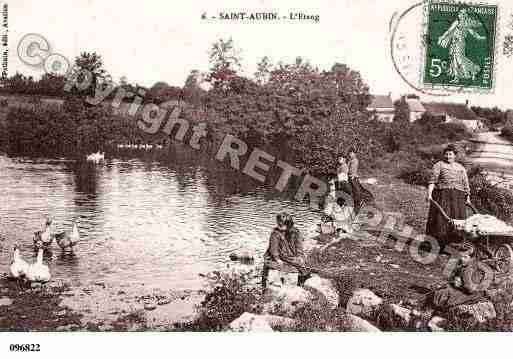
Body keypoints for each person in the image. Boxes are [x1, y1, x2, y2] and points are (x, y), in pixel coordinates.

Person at [426, 144, 471, 248]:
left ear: (455, 155)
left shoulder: (460, 168)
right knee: (441, 219)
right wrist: (429, 194)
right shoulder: (439, 165)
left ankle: (454, 244)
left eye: (450, 154)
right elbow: (433, 180)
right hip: (443, 195)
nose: (448, 157)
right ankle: (437, 244)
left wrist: (468, 197)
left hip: (458, 197)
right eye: (446, 154)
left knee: (458, 221)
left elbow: (465, 183)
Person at [261, 213, 310, 290]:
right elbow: (273, 248)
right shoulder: (275, 234)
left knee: (302, 264)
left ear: (289, 225)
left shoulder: (296, 232)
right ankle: (266, 283)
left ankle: (301, 283)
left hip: (290, 254)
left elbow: (299, 246)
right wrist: (277, 259)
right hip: (280, 255)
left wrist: (300, 255)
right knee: (273, 264)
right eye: (278, 224)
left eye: (281, 225)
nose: (278, 226)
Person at [347, 149, 374, 214]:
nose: (350, 154)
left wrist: (349, 174)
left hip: (353, 178)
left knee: (356, 193)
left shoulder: (355, 160)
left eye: (351, 153)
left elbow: (352, 171)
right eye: (349, 153)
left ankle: (358, 208)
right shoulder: (350, 160)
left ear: (354, 153)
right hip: (350, 177)